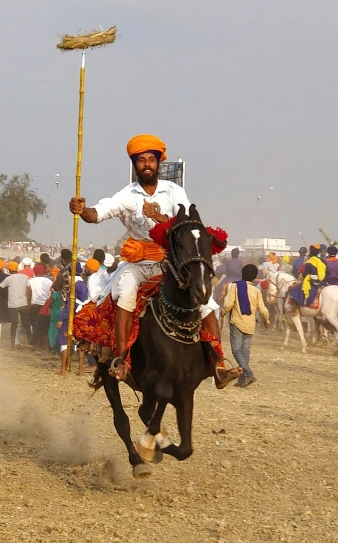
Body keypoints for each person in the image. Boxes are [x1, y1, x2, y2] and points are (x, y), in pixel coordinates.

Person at [69, 134, 238, 386]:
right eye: (141, 161)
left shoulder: (175, 191)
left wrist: (159, 217)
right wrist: (83, 211)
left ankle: (219, 365)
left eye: (151, 159)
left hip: (169, 261)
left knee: (206, 302)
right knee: (125, 292)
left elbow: (187, 224)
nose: (147, 164)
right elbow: (98, 213)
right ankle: (121, 359)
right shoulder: (127, 195)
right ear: (135, 165)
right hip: (137, 263)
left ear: (158, 163)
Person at [222, 264, 269, 387]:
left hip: (237, 322)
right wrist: (266, 321)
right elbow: (263, 310)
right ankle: (242, 380)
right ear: (254, 277)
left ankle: (249, 374)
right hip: (250, 325)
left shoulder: (235, 286)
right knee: (245, 352)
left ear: (242, 274)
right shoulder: (257, 290)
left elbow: (228, 304)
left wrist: (223, 313)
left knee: (237, 350)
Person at [0, 261, 32, 348]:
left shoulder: (9, 279)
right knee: (27, 325)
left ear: (9, 269)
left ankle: (12, 344)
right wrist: (28, 301)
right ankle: (30, 343)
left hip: (13, 305)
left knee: (13, 325)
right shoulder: (24, 277)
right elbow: (29, 289)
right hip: (23, 304)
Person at [28, 264, 53, 342]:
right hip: (45, 306)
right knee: (44, 326)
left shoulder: (30, 281)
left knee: (34, 324)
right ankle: (42, 342)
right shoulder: (49, 281)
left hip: (33, 305)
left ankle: (34, 341)